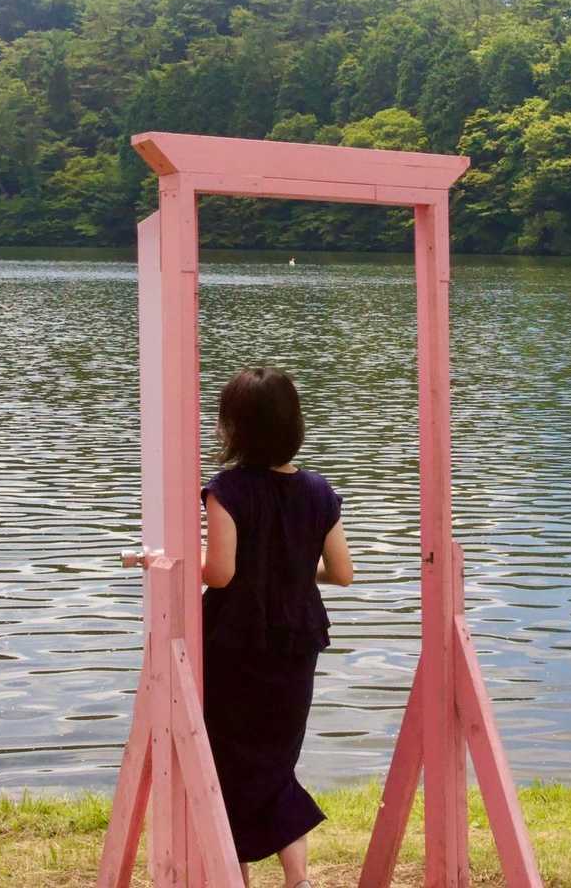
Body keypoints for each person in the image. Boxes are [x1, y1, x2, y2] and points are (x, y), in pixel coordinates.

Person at [200, 365, 354, 888]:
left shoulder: (226, 490)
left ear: (235, 429)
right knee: (276, 761)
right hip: (295, 642)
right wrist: (293, 567)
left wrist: (187, 561)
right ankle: (298, 879)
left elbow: (221, 573)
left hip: (233, 643)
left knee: (225, 761)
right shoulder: (318, 491)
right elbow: (342, 573)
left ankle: (234, 876)